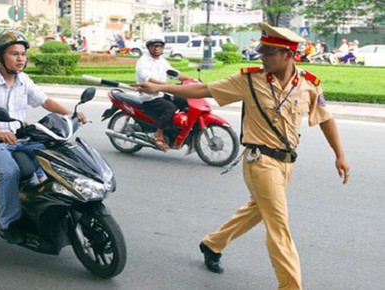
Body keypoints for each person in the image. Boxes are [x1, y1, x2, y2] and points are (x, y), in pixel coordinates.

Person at [133, 22, 350, 290]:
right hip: (260, 161)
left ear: (289, 55)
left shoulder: (308, 84)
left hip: (287, 163)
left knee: (258, 210)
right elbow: (204, 90)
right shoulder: (249, 80)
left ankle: (213, 244)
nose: (262, 56)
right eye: (262, 51)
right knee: (279, 226)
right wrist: (161, 89)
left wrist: (339, 155)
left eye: (269, 52)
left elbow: (325, 118)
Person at [0, 30, 87, 244]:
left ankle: (38, 207)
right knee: (10, 171)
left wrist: (70, 113)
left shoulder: (24, 80)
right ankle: (8, 223)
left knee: (52, 160)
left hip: (19, 135)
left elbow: (45, 101)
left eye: (23, 54)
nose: (20, 59)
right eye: (14, 54)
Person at [135, 36, 191, 151]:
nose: (157, 49)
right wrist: (164, 85)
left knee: (185, 100)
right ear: (149, 48)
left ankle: (179, 129)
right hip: (149, 96)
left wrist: (191, 80)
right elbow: (148, 78)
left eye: (159, 46)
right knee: (170, 108)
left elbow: (174, 73)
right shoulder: (143, 61)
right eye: (154, 46)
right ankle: (158, 134)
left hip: (161, 92)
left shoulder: (162, 61)